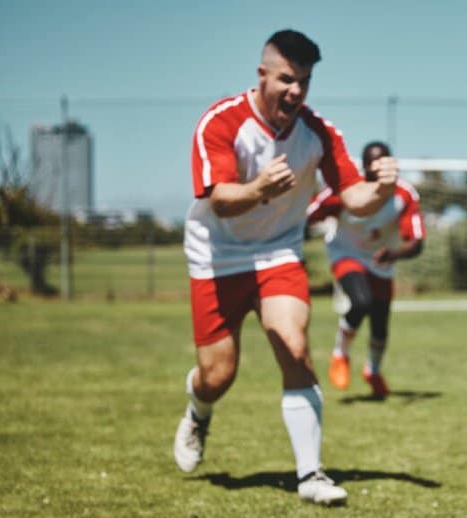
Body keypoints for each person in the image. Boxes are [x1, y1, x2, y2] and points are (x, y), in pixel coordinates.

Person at [173, 29, 399, 506]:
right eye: (287, 79)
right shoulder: (221, 122)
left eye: (305, 82)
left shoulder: (318, 132)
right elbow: (221, 200)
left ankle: (310, 474)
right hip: (217, 254)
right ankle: (198, 410)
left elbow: (352, 196)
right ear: (262, 76)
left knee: (294, 345)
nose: (296, 91)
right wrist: (259, 188)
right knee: (218, 374)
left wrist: (380, 190)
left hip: (278, 252)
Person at [306, 141, 425, 399]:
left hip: (381, 260)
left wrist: (394, 253)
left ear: (390, 164)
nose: (376, 166)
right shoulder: (346, 190)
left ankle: (372, 370)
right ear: (364, 165)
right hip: (345, 254)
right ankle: (340, 354)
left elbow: (417, 242)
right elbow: (310, 214)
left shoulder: (404, 194)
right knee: (361, 302)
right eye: (371, 161)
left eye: (382, 161)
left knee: (380, 324)